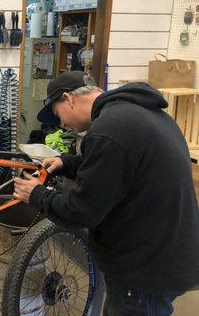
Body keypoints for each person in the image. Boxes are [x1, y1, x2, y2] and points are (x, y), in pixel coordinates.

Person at [13, 71, 199, 316]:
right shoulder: (139, 114)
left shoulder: (107, 130)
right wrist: (67, 163)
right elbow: (117, 170)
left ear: (69, 99)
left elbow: (81, 212)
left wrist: (37, 195)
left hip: (146, 269)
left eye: (59, 116)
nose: (62, 125)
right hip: (167, 252)